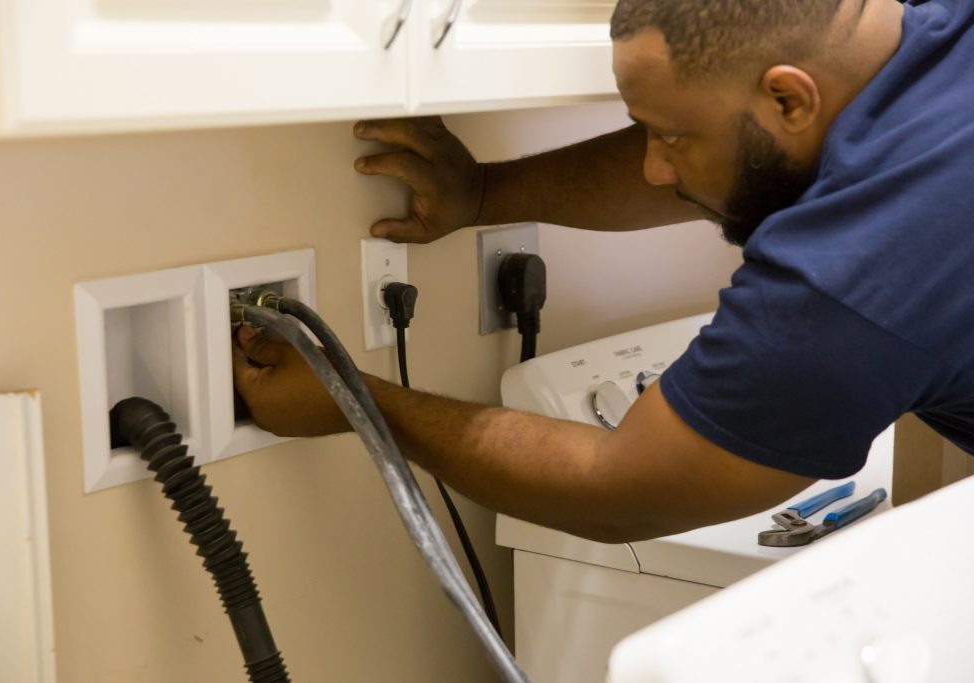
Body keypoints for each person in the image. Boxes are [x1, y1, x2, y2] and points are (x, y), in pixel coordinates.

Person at [233, 0, 974, 543]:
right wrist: (488, 191)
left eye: (670, 137)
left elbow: (615, 490)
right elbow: (738, 139)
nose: (654, 166)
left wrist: (354, 398)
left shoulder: (850, 278)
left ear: (789, 96)